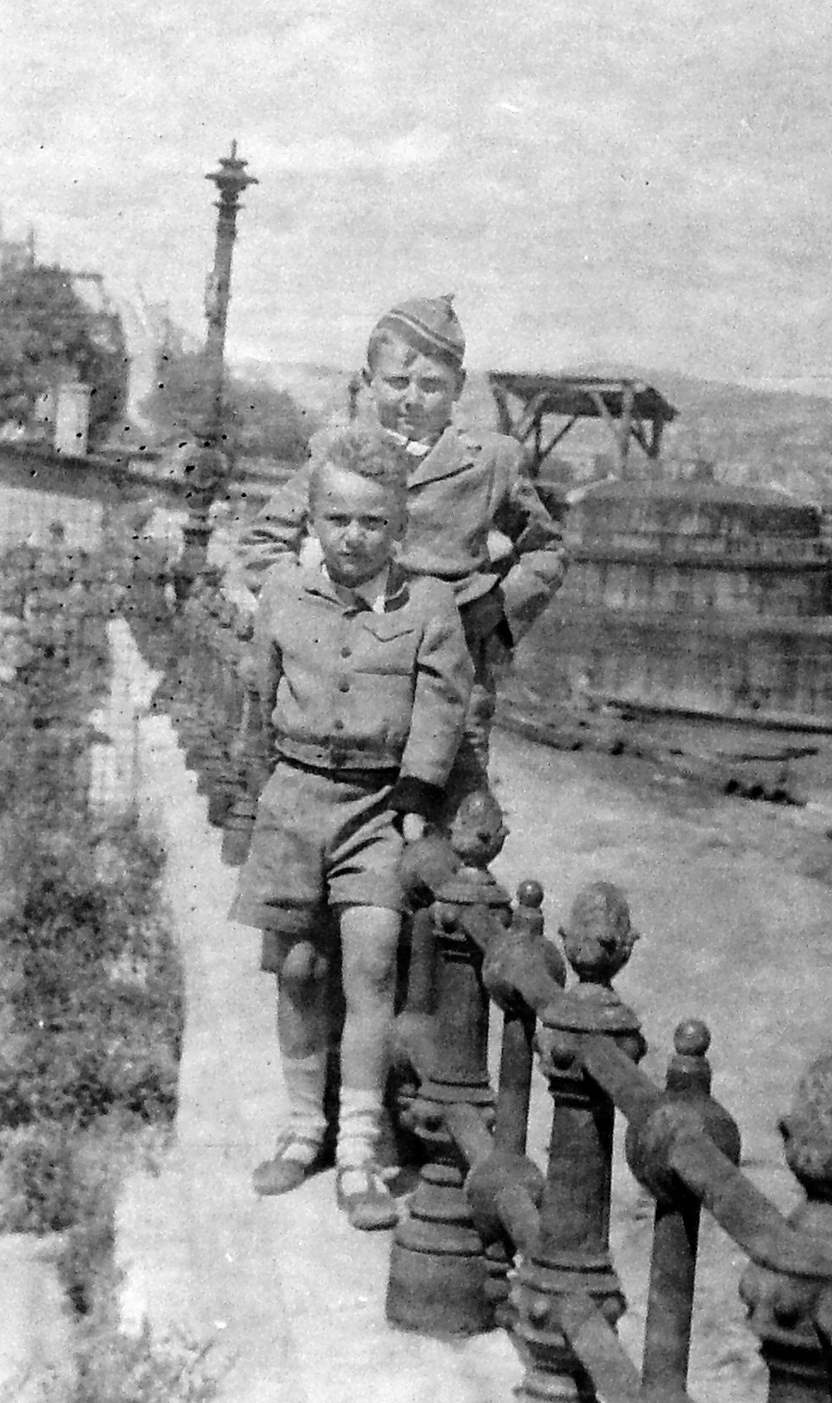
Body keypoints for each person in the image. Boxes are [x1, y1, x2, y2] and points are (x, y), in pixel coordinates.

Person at [230, 420, 472, 1230]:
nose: (355, 535)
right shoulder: (281, 597)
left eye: (373, 520)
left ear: (399, 526)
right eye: (338, 518)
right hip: (294, 799)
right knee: (298, 969)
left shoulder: (429, 606)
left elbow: (442, 709)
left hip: (378, 808)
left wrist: (415, 795)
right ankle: (304, 1130)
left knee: (370, 964)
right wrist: (261, 788)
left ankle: (361, 1149)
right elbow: (260, 694)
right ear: (313, 521)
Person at [230, 293, 566, 816]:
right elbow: (261, 543)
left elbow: (546, 551)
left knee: (447, 821)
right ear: (369, 382)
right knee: (333, 816)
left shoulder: (492, 461)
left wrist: (498, 611)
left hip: (449, 674)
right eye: (397, 382)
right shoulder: (338, 454)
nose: (413, 399)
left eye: (431, 386)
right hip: (346, 674)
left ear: (457, 387)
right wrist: (308, 605)